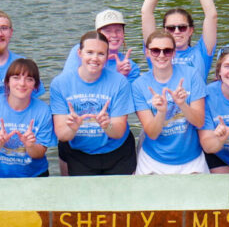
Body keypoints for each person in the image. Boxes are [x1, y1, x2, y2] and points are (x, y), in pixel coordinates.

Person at [51, 31, 137, 176]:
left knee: (121, 198)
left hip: (116, 151)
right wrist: (72, 128)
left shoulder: (119, 82)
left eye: (101, 54)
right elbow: (62, 135)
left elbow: (118, 132)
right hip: (79, 151)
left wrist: (106, 125)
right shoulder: (60, 83)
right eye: (89, 52)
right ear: (79, 53)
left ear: (107, 55)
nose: (94, 58)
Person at [132, 29, 208, 174]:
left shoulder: (191, 75)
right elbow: (152, 133)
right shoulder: (139, 85)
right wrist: (161, 112)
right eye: (155, 51)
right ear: (147, 53)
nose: (161, 55)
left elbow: (199, 122)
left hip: (191, 159)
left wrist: (182, 104)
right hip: (153, 160)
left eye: (167, 51)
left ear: (174, 53)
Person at [140, 0, 219, 84]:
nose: (176, 32)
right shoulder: (156, 52)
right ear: (164, 31)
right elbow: (146, 12)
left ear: (191, 30)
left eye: (182, 27)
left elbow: (211, 15)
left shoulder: (202, 52)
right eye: (171, 28)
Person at [0, 59, 56, 178]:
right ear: (7, 82)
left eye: (29, 79)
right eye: (16, 77)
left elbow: (39, 153)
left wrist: (30, 145)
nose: (22, 83)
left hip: (34, 175)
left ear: (35, 85)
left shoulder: (43, 110)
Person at [63, 9, 142, 83]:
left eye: (118, 30)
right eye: (108, 31)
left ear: (123, 33)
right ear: (98, 33)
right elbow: (68, 83)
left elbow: (127, 96)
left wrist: (121, 76)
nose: (114, 35)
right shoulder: (81, 51)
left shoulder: (130, 67)